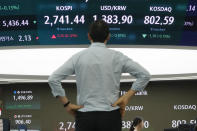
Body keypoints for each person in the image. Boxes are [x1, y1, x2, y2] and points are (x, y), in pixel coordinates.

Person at [48, 20, 151, 131]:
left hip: (85, 118)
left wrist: (67, 105)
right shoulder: (118, 57)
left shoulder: (78, 57)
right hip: (111, 117)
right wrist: (125, 97)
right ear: (108, 36)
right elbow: (144, 75)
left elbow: (53, 79)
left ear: (88, 36)